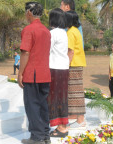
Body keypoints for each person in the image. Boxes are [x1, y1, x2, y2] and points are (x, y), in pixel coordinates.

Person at [18, 2, 51, 144]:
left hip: (32, 73)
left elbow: (25, 52)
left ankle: (36, 137)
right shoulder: (46, 30)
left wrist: (20, 73)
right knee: (43, 105)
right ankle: (45, 135)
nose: (25, 15)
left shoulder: (29, 30)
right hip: (45, 73)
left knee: (32, 105)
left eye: (26, 12)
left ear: (29, 12)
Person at [47, 8, 72, 138]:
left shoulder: (53, 33)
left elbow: (47, 50)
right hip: (63, 67)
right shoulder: (63, 32)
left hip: (55, 68)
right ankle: (62, 125)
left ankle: (61, 127)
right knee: (61, 97)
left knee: (54, 97)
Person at [65, 10, 86, 129]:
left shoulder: (70, 32)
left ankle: (80, 120)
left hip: (73, 64)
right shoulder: (75, 31)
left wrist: (66, 66)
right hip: (77, 64)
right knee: (75, 92)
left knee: (75, 92)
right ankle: (78, 118)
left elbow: (70, 51)